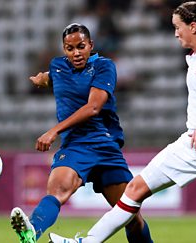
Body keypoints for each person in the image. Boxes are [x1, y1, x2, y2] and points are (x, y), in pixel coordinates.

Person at [48, 2, 196, 243]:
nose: (175, 33)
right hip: (190, 142)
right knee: (135, 189)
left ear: (193, 27)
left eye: (178, 27)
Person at [10, 23, 153, 243]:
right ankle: (32, 231)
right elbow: (53, 76)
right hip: (75, 146)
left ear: (90, 45)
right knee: (57, 191)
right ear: (64, 49)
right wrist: (42, 79)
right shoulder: (58, 67)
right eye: (70, 48)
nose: (76, 53)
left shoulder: (104, 67)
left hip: (104, 146)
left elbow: (93, 107)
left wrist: (53, 131)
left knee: (131, 218)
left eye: (81, 46)